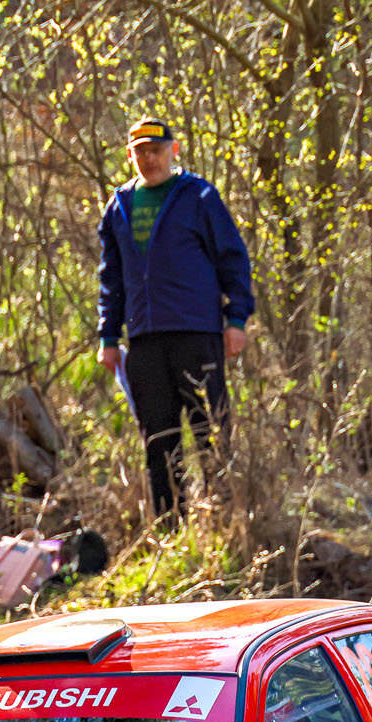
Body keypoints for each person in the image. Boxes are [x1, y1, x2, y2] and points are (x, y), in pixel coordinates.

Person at [96, 116, 255, 518]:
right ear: (129, 155)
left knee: (211, 432)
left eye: (157, 151)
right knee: (159, 439)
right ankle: (171, 528)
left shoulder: (198, 196)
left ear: (173, 151)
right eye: (141, 152)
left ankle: (225, 520)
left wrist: (236, 321)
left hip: (196, 332)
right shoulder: (119, 206)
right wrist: (109, 337)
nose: (150, 159)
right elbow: (111, 278)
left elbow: (233, 259)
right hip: (144, 340)